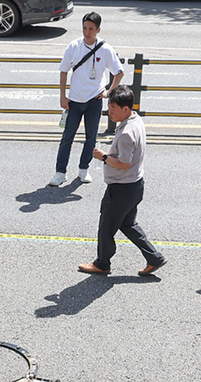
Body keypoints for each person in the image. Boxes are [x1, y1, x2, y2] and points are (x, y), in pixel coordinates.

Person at [76, 87, 166, 277]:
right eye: (109, 107)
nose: (110, 112)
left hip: (122, 187)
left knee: (106, 227)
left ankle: (102, 263)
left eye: (114, 107)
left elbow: (124, 164)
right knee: (127, 224)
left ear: (126, 109)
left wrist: (104, 157)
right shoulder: (135, 119)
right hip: (135, 185)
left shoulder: (126, 133)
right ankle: (154, 258)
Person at [49, 11, 123, 187]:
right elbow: (63, 71)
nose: (87, 32)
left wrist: (108, 92)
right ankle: (60, 172)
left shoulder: (105, 49)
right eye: (84, 28)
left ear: (98, 29)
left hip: (94, 101)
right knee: (67, 137)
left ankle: (84, 169)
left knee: (91, 138)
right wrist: (62, 96)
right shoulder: (74, 46)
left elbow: (119, 72)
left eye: (91, 29)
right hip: (74, 100)